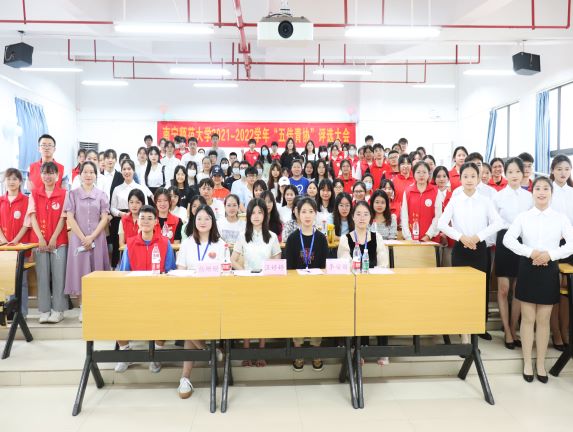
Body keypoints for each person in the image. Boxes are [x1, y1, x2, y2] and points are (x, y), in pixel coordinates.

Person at [503, 176, 573, 383]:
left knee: (543, 320)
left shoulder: (560, 218)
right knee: (528, 318)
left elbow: (571, 244)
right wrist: (530, 252)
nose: (541, 192)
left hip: (549, 268)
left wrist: (550, 255)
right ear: (532, 192)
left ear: (551, 193)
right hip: (528, 267)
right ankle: (527, 362)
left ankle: (540, 363)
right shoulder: (523, 217)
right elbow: (508, 239)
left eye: (545, 189)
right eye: (538, 189)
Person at [438, 162, 502, 343]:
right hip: (461, 249)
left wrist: (478, 237)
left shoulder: (485, 200)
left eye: (473, 176)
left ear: (479, 178)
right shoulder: (455, 200)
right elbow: (441, 224)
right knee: (461, 293)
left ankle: (474, 334)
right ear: (460, 178)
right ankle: (465, 338)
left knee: (478, 293)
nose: (469, 180)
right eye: (465, 176)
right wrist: (461, 237)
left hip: (479, 249)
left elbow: (498, 223)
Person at [116, 205, 175, 375]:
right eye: (142, 218)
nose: (146, 221)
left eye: (150, 218)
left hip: (159, 293)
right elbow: (124, 273)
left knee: (165, 313)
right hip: (135, 293)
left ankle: (156, 354)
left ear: (156, 221)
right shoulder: (130, 244)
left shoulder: (165, 243)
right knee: (117, 312)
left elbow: (170, 271)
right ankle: (125, 353)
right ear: (138, 221)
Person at [176, 204, 225, 397]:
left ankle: (185, 377)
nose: (203, 222)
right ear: (193, 221)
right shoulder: (187, 243)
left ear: (213, 221)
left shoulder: (220, 244)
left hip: (214, 297)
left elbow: (226, 271)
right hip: (191, 296)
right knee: (188, 322)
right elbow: (180, 272)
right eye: (199, 218)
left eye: (207, 218)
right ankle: (208, 352)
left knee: (189, 326)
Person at [231, 198, 281, 366]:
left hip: (266, 282)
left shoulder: (272, 236)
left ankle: (261, 353)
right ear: (248, 215)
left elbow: (277, 259)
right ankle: (246, 352)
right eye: (253, 213)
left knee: (262, 318)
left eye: (260, 212)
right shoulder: (242, 236)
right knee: (247, 317)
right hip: (247, 282)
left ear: (265, 215)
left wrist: (267, 273)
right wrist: (244, 272)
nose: (257, 216)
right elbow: (233, 259)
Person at [493, 157, 532, 349]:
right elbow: (493, 222)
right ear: (505, 174)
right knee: (503, 289)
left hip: (522, 241)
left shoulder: (529, 196)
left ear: (523, 173)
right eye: (510, 172)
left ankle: (513, 328)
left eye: (518, 171)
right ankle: (507, 331)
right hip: (504, 240)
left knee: (518, 288)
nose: (514, 175)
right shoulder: (498, 196)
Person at [285, 197, 329, 372]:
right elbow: (288, 268)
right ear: (297, 214)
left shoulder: (321, 238)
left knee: (317, 318)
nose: (307, 215)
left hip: (317, 288)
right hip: (297, 288)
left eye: (311, 211)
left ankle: (316, 353)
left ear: (316, 214)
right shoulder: (292, 239)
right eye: (303, 211)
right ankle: (299, 353)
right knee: (298, 319)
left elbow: (325, 266)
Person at [64, 161, 110, 322]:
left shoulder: (102, 195)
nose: (88, 175)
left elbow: (104, 218)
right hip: (78, 240)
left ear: (96, 175)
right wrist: (83, 238)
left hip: (98, 239)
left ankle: (96, 307)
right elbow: (70, 217)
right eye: (85, 172)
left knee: (97, 271)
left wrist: (92, 236)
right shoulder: (73, 194)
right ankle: (83, 308)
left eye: (92, 172)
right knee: (81, 273)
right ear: (80, 175)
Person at [27, 162, 68, 324]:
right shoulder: (34, 194)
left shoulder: (65, 194)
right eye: (44, 173)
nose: (47, 176)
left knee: (59, 277)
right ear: (40, 175)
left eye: (51, 173)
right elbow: (32, 217)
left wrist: (53, 238)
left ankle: (58, 310)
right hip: (40, 242)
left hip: (59, 241)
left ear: (57, 176)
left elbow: (63, 218)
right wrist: (41, 238)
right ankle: (44, 310)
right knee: (42, 276)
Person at [549, 154, 573, 350]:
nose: (563, 172)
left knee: (567, 288)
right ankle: (555, 331)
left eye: (566, 169)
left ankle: (565, 330)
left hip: (570, 244)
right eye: (559, 169)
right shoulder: (547, 191)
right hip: (553, 244)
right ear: (552, 171)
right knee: (553, 288)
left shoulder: (572, 192)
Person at [0, 168, 31, 316]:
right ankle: (9, 313)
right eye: (9, 179)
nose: (11, 182)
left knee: (21, 281)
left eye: (14, 179)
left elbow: (27, 223)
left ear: (20, 181)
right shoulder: (1, 200)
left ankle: (22, 313)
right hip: (4, 248)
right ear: (4, 181)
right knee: (7, 280)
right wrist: (4, 240)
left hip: (21, 246)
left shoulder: (26, 200)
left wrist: (16, 240)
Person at [400, 161, 441, 242]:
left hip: (431, 239)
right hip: (411, 239)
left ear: (429, 174)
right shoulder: (408, 191)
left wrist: (428, 235)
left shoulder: (435, 191)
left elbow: (438, 216)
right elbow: (404, 215)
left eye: (424, 172)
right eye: (418, 172)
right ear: (413, 174)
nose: (421, 175)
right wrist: (408, 237)